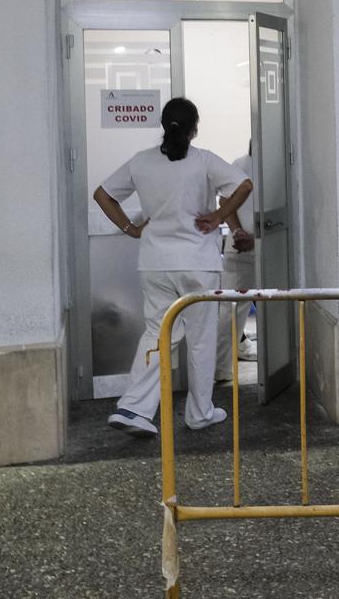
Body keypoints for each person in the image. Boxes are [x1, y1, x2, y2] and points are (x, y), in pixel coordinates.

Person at [93, 97, 253, 438]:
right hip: (198, 263)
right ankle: (199, 412)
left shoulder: (141, 162)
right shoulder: (205, 160)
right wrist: (220, 217)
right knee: (200, 339)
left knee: (156, 332)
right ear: (195, 128)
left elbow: (103, 195)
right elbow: (244, 185)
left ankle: (134, 408)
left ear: (164, 126)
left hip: (155, 264)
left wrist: (131, 229)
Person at [214, 142, 257, 381]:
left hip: (239, 247)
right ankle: (220, 368)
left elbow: (224, 202)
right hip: (250, 248)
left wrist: (238, 231)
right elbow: (224, 202)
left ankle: (220, 369)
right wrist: (244, 235)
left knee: (230, 309)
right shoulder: (242, 165)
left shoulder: (239, 165)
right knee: (232, 309)